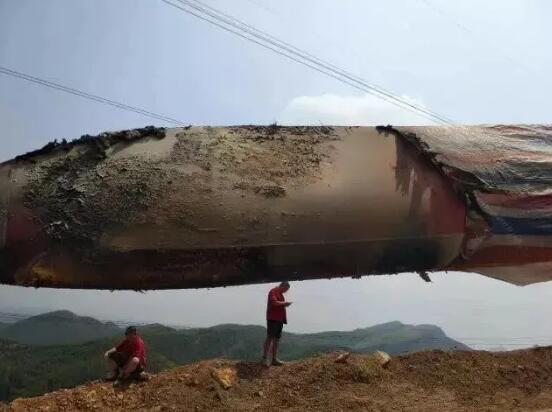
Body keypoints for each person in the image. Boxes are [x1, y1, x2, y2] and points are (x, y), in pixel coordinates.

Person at [262, 281, 292, 367]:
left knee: (276, 339)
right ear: (281, 286)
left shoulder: (281, 295)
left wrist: (284, 304)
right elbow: (274, 302)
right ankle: (264, 359)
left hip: (279, 319)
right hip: (273, 318)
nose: (286, 291)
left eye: (287, 290)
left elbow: (278, 304)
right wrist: (284, 303)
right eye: (285, 289)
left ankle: (274, 359)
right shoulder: (273, 291)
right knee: (270, 338)